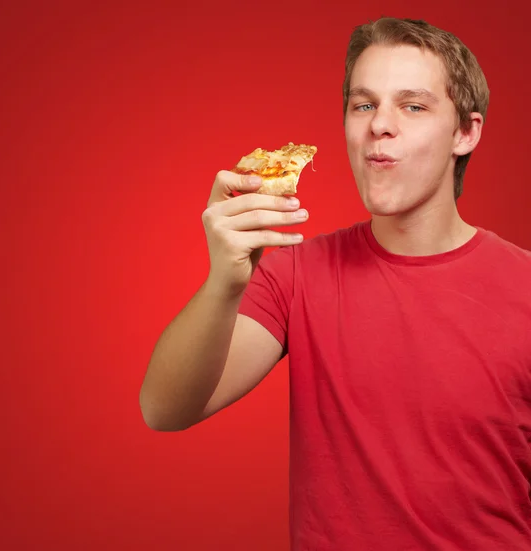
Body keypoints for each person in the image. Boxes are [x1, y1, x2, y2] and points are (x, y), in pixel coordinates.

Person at [140, 16, 531, 550]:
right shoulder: (296, 273)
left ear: (466, 132)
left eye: (413, 106)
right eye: (363, 104)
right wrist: (224, 282)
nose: (379, 125)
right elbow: (165, 409)